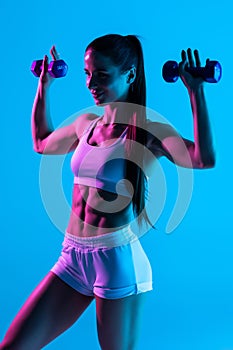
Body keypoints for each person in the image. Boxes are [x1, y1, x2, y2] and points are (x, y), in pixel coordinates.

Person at [0, 34, 215, 350]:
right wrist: (43, 86)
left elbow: (202, 158)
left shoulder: (147, 132)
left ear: (129, 74)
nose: (91, 83)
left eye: (102, 74)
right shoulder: (84, 124)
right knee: (13, 346)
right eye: (87, 74)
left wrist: (196, 93)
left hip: (115, 261)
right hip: (72, 257)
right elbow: (41, 143)